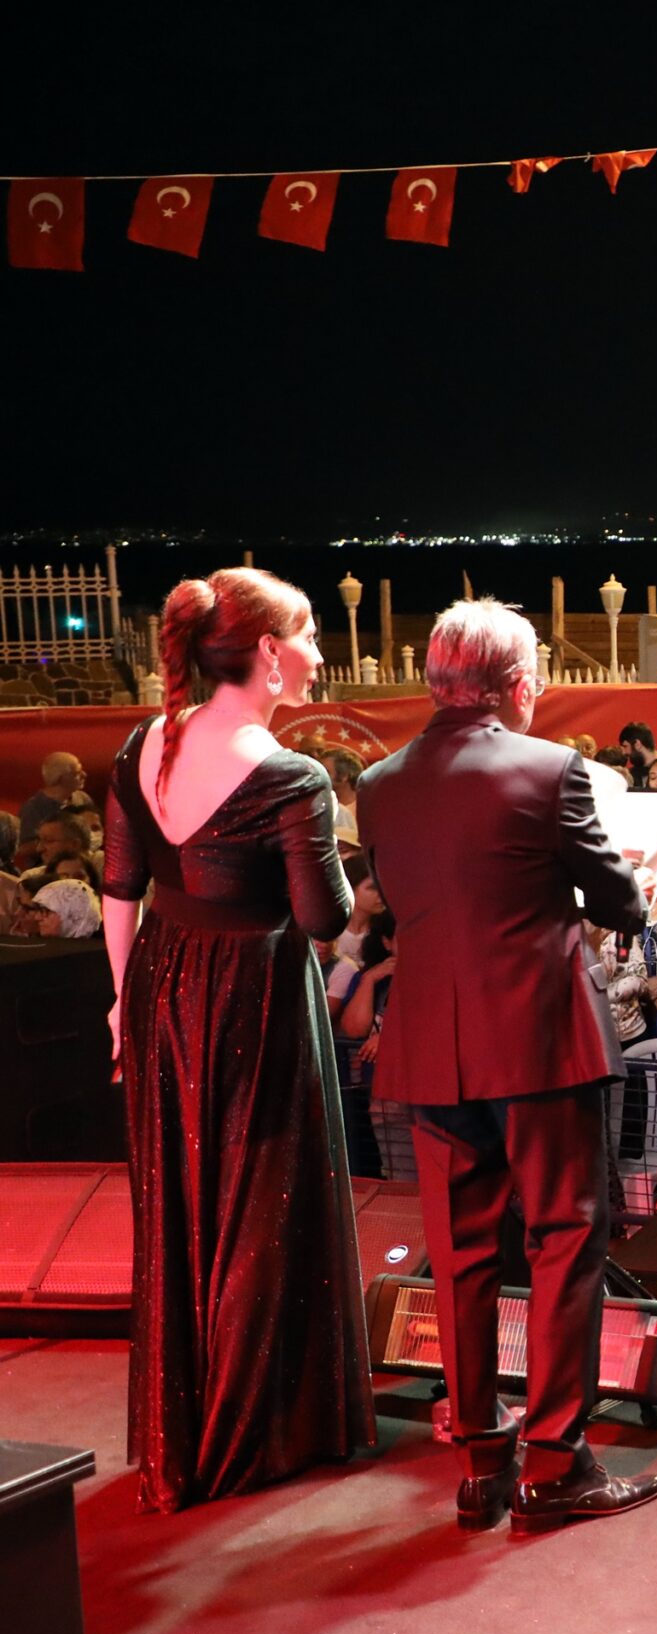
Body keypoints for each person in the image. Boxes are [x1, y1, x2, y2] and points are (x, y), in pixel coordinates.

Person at [359, 598, 657, 1532]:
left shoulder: (377, 781)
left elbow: (409, 901)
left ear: (436, 680)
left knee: (463, 1259)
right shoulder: (551, 769)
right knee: (566, 1243)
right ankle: (557, 1463)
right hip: (539, 1041)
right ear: (518, 685)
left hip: (433, 1052)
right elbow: (621, 905)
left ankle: (481, 1465)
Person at [103, 567, 370, 1514]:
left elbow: (120, 883)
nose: (318, 653)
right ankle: (247, 1436)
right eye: (308, 635)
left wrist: (120, 1001)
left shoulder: (145, 741)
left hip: (162, 984)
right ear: (267, 653)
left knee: (180, 1207)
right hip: (253, 994)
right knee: (260, 1205)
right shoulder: (293, 776)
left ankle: (187, 1431)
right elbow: (322, 918)